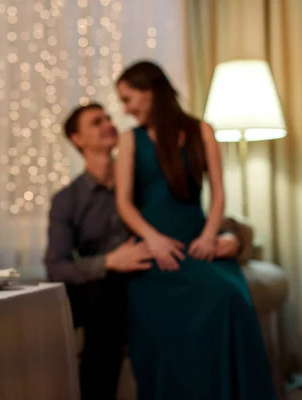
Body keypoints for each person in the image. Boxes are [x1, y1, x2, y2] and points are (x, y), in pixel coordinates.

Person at [44, 103, 242, 400]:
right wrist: (111, 261)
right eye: (96, 122)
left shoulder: (141, 181)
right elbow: (55, 266)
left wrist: (229, 234)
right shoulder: (67, 200)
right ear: (77, 139)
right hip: (102, 286)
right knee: (104, 303)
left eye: (108, 118)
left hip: (148, 275)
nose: (109, 123)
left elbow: (186, 217)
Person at [114, 60, 276, 399]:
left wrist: (209, 236)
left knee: (229, 296)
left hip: (197, 241)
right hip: (156, 251)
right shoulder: (130, 141)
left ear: (149, 91)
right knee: (158, 310)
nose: (126, 110)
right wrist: (154, 240)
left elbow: (218, 192)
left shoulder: (202, 130)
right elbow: (124, 204)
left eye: (128, 99)